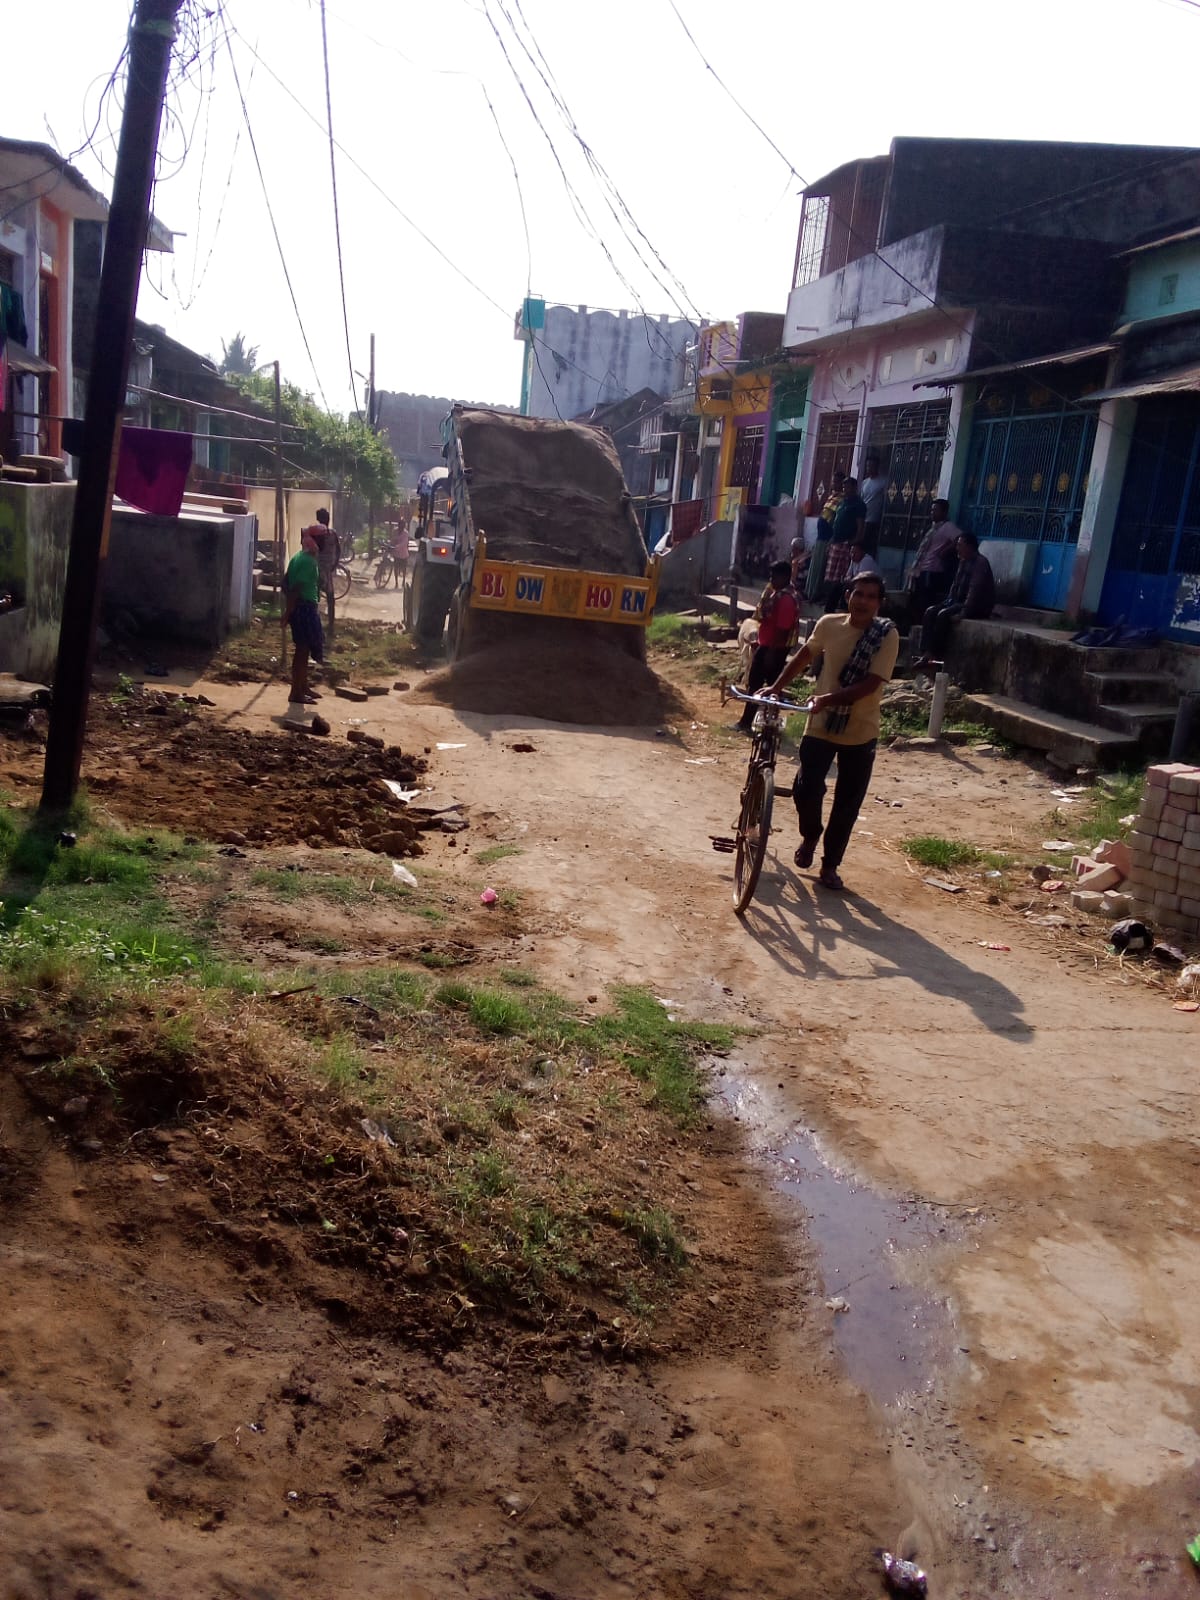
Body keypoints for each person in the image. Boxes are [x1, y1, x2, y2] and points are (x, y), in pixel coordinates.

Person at [765, 572, 899, 891]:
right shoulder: (828, 624)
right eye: (858, 594)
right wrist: (776, 687)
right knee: (805, 788)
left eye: (871, 596)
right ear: (848, 596)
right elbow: (804, 656)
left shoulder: (886, 635)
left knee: (847, 804)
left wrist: (826, 699)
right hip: (821, 725)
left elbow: (870, 684)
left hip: (860, 730)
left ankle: (830, 865)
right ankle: (811, 835)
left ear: (879, 603)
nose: (863, 601)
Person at [914, 532, 995, 667]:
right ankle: (925, 652)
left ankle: (934, 654)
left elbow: (974, 590)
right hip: (958, 602)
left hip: (976, 606)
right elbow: (955, 585)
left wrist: (964, 612)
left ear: (970, 547)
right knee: (930, 611)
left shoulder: (980, 563)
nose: (957, 548)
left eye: (960, 545)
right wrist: (948, 601)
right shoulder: (963, 561)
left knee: (943, 615)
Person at [737, 560, 801, 730]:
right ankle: (765, 724)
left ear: (785, 577)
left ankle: (747, 722)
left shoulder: (786, 599)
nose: (771, 580)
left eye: (774, 576)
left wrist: (770, 653)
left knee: (756, 685)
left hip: (774, 649)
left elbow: (782, 629)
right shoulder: (778, 594)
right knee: (770, 686)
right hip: (769, 645)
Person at [284, 527, 325, 716]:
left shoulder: (300, 557)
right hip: (303, 608)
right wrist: (288, 612)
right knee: (302, 651)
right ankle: (296, 692)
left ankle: (303, 687)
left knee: (305, 649)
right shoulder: (308, 562)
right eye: (322, 539)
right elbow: (296, 588)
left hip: (304, 607)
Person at [905, 499, 961, 618]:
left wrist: (945, 551)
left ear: (944, 512)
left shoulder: (948, 526)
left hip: (933, 569)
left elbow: (959, 539)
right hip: (922, 568)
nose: (932, 513)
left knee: (926, 599)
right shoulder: (933, 528)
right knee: (916, 598)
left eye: (936, 510)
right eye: (932, 510)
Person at [824, 475, 867, 613]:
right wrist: (831, 541)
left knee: (841, 577)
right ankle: (829, 602)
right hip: (835, 542)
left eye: (847, 487)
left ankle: (838, 604)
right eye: (844, 487)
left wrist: (855, 541)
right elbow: (837, 521)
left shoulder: (858, 504)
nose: (845, 489)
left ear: (854, 488)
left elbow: (860, 526)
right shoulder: (843, 502)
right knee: (831, 577)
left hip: (846, 543)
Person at [806, 469, 845, 602]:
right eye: (833, 481)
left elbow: (836, 520)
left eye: (837, 482)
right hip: (820, 538)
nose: (834, 484)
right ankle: (809, 593)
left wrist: (831, 540)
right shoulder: (831, 497)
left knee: (822, 568)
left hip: (828, 539)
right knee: (815, 567)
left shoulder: (842, 500)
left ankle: (816, 594)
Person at [304, 507, 341, 628]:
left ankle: (312, 622)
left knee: (313, 597)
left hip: (316, 569)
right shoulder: (332, 533)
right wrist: (334, 565)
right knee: (329, 598)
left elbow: (306, 549)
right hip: (325, 570)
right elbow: (338, 550)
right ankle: (330, 625)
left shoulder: (314, 533)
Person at [859, 453, 887, 548]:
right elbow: (862, 499)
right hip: (863, 517)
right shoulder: (864, 482)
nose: (869, 468)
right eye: (867, 466)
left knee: (867, 544)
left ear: (877, 467)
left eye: (871, 466)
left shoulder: (883, 481)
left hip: (873, 519)